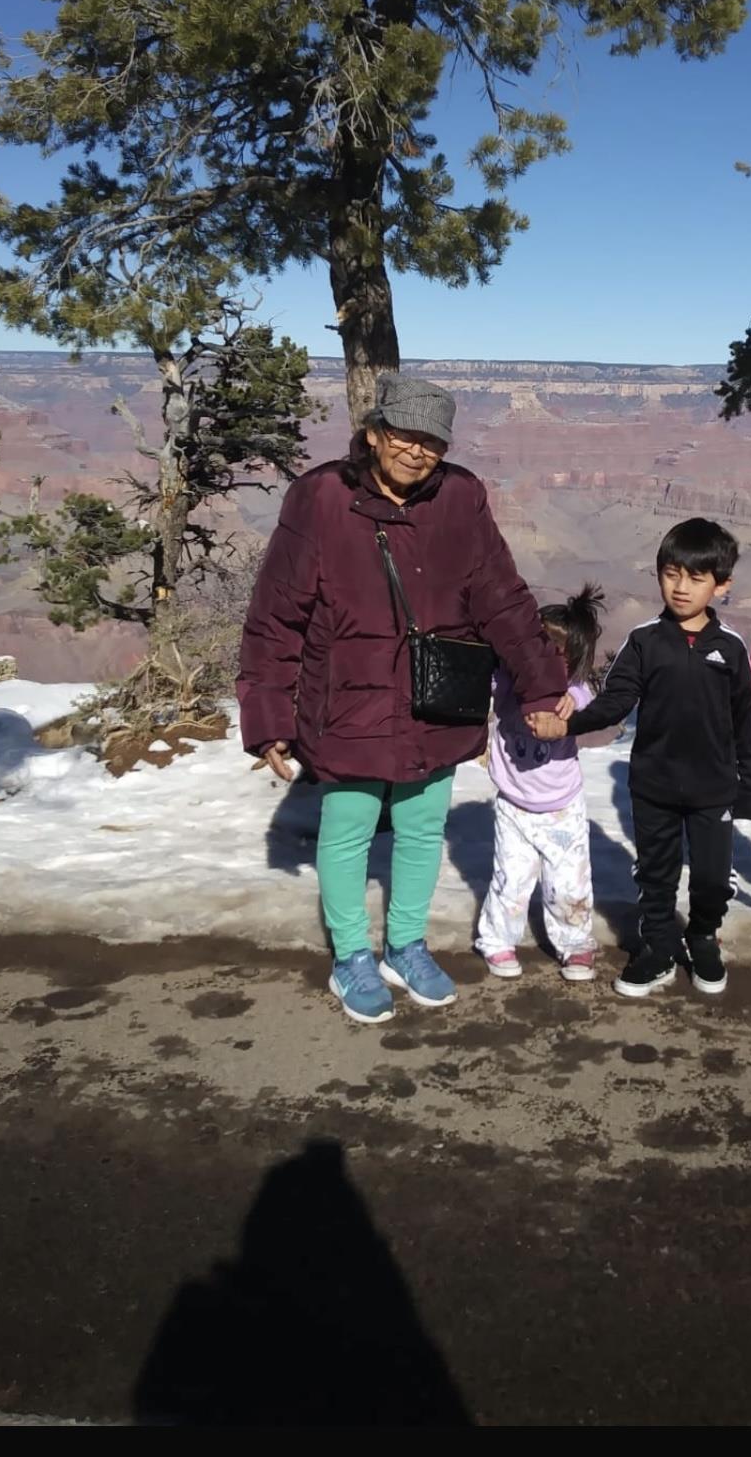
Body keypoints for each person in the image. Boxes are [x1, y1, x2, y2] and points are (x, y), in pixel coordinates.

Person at [238, 373, 565, 1025]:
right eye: (406, 436)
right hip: (347, 698)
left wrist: (543, 684)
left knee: (421, 826)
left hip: (435, 695)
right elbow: (277, 615)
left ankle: (406, 945)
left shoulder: (461, 498)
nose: (418, 452)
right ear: (375, 432)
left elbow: (501, 597)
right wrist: (269, 717)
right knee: (349, 826)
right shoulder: (322, 498)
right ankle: (352, 956)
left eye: (433, 442)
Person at [530, 519, 751, 1000]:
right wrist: (568, 724)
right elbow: (615, 702)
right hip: (653, 783)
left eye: (696, 578)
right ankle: (657, 946)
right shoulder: (645, 641)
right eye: (672, 574)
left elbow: (748, 723)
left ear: (722, 585)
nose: (681, 588)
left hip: (713, 787)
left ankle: (702, 937)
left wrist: (749, 790)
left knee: (714, 875)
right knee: (655, 871)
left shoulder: (731, 649)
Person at [477, 585, 607, 984]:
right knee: (510, 878)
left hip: (562, 807)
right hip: (514, 803)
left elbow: (588, 697)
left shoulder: (574, 693)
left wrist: (573, 698)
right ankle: (497, 938)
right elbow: (485, 682)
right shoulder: (507, 681)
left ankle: (576, 943)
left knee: (569, 882)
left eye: (558, 654)